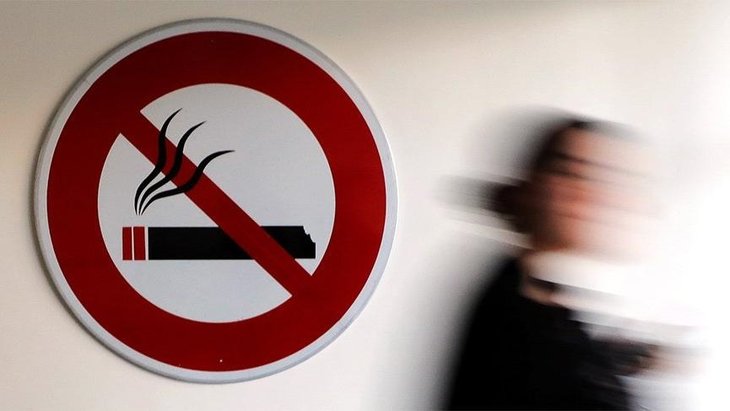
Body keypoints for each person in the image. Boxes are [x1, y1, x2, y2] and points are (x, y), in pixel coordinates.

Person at [443, 116, 654, 410]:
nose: (591, 194)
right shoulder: (516, 311)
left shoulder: (534, 294)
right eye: (572, 173)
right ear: (533, 187)